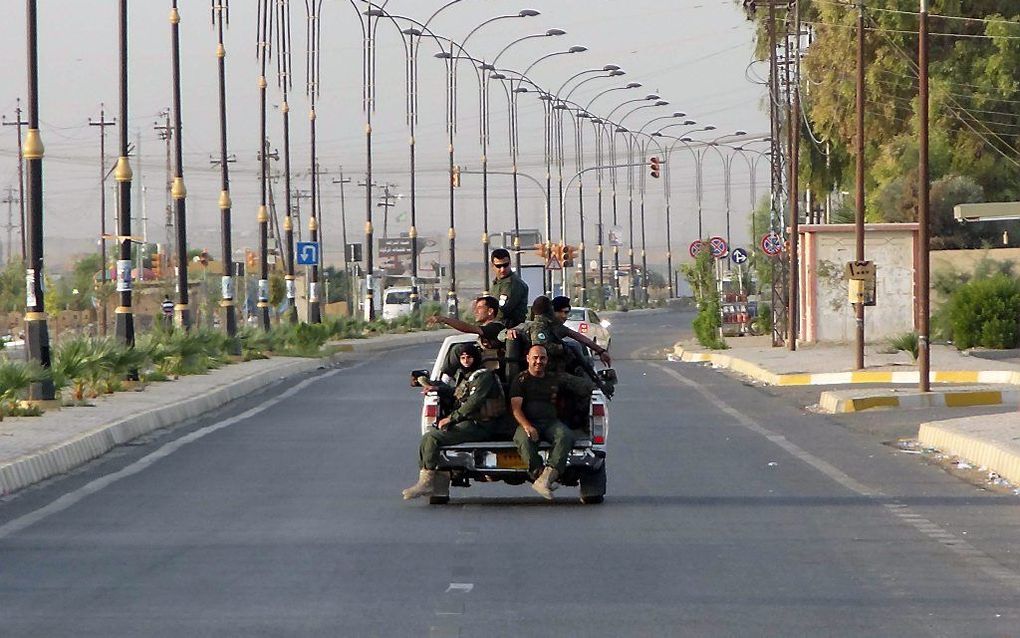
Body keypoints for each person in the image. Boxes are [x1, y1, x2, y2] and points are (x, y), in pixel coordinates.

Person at [403, 343, 513, 500]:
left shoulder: (484, 376)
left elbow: (473, 403)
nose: (466, 360)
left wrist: (451, 418)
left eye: (469, 357)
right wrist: (437, 389)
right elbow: (458, 393)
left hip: (481, 425)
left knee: (432, 438)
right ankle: (427, 480)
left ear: (476, 358)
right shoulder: (468, 376)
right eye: (462, 357)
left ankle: (427, 482)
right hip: (471, 423)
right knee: (429, 438)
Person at [510, 345, 599, 500]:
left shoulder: (555, 378)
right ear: (528, 359)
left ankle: (547, 477)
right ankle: (539, 475)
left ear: (547, 360)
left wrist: (596, 386)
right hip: (528, 423)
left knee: (566, 436)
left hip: (551, 423)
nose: (539, 361)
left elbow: (580, 385)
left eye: (542, 358)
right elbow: (516, 408)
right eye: (535, 358)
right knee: (523, 440)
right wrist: (527, 426)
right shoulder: (520, 380)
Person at [429, 295, 506, 379]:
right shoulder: (488, 327)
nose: (476, 311)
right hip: (481, 369)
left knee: (458, 349)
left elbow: (468, 328)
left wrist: (445, 320)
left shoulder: (495, 327)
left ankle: (444, 381)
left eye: (479, 308)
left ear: (490, 311)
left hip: (491, 372)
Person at [489, 248, 528, 327]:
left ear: (510, 263)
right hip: (500, 326)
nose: (502, 269)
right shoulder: (498, 283)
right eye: (498, 266)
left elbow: (502, 311)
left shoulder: (512, 283)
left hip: (509, 329)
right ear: (492, 265)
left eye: (505, 265)